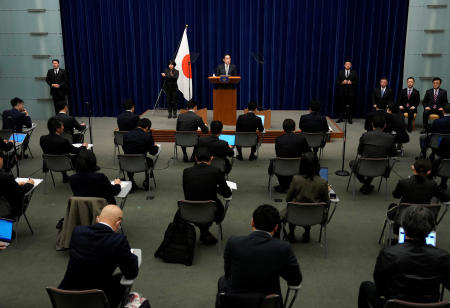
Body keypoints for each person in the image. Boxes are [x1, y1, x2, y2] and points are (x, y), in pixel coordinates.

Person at [358, 205, 450, 308]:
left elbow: (380, 288)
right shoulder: (442, 257)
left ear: (404, 227)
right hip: (431, 306)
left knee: (365, 286)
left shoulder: (388, 253)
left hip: (395, 305)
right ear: (431, 229)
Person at [59, 205, 139, 308]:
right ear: (118, 223)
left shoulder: (78, 232)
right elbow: (131, 272)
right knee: (120, 280)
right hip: (97, 300)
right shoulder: (118, 241)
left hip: (65, 297)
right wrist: (131, 255)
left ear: (97, 219)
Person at [217, 204, 302, 301]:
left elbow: (228, 273)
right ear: (276, 227)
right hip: (268, 303)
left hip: (236, 302)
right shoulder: (283, 248)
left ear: (252, 222)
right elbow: (295, 281)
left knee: (222, 281)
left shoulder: (233, 243)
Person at [182, 147, 232, 245]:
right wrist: (216, 187)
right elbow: (227, 194)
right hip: (211, 209)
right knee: (214, 205)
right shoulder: (216, 171)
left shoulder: (186, 171)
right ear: (212, 158)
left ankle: (204, 231)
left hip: (190, 209)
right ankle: (205, 232)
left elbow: (186, 192)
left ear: (196, 158)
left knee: (202, 201)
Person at [285, 152, 329, 243]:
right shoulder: (323, 182)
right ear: (317, 165)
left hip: (295, 214)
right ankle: (307, 232)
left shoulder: (296, 179)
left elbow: (287, 199)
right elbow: (326, 203)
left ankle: (291, 233)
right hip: (315, 216)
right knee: (310, 206)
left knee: (292, 208)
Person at [350, 115, 397, 194]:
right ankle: (367, 184)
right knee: (374, 162)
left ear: (372, 124)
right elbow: (393, 154)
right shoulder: (390, 137)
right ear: (385, 125)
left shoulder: (365, 135)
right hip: (381, 168)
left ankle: (366, 184)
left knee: (352, 163)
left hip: (364, 166)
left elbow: (359, 152)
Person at [40, 117, 88, 183]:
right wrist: (83, 146)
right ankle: (82, 178)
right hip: (66, 164)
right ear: (57, 129)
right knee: (84, 154)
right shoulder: (63, 141)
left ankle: (65, 176)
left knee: (60, 154)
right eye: (62, 125)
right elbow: (75, 151)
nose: (63, 127)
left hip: (50, 164)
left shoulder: (42, 139)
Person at [269, 119, 310, 193]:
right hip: (298, 168)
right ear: (294, 128)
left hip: (281, 169)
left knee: (274, 163)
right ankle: (293, 185)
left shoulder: (278, 139)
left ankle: (284, 186)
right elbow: (308, 153)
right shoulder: (301, 138)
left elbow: (278, 153)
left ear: (283, 128)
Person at [122, 118, 159, 191]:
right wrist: (155, 146)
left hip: (126, 162)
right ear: (147, 127)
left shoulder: (126, 134)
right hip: (142, 163)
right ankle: (146, 181)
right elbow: (153, 152)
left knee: (130, 158)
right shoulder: (147, 136)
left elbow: (124, 148)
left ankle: (131, 180)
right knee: (150, 161)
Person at [0, 154, 34, 219]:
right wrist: (29, 184)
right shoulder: (5, 177)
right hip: (7, 211)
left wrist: (14, 184)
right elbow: (20, 192)